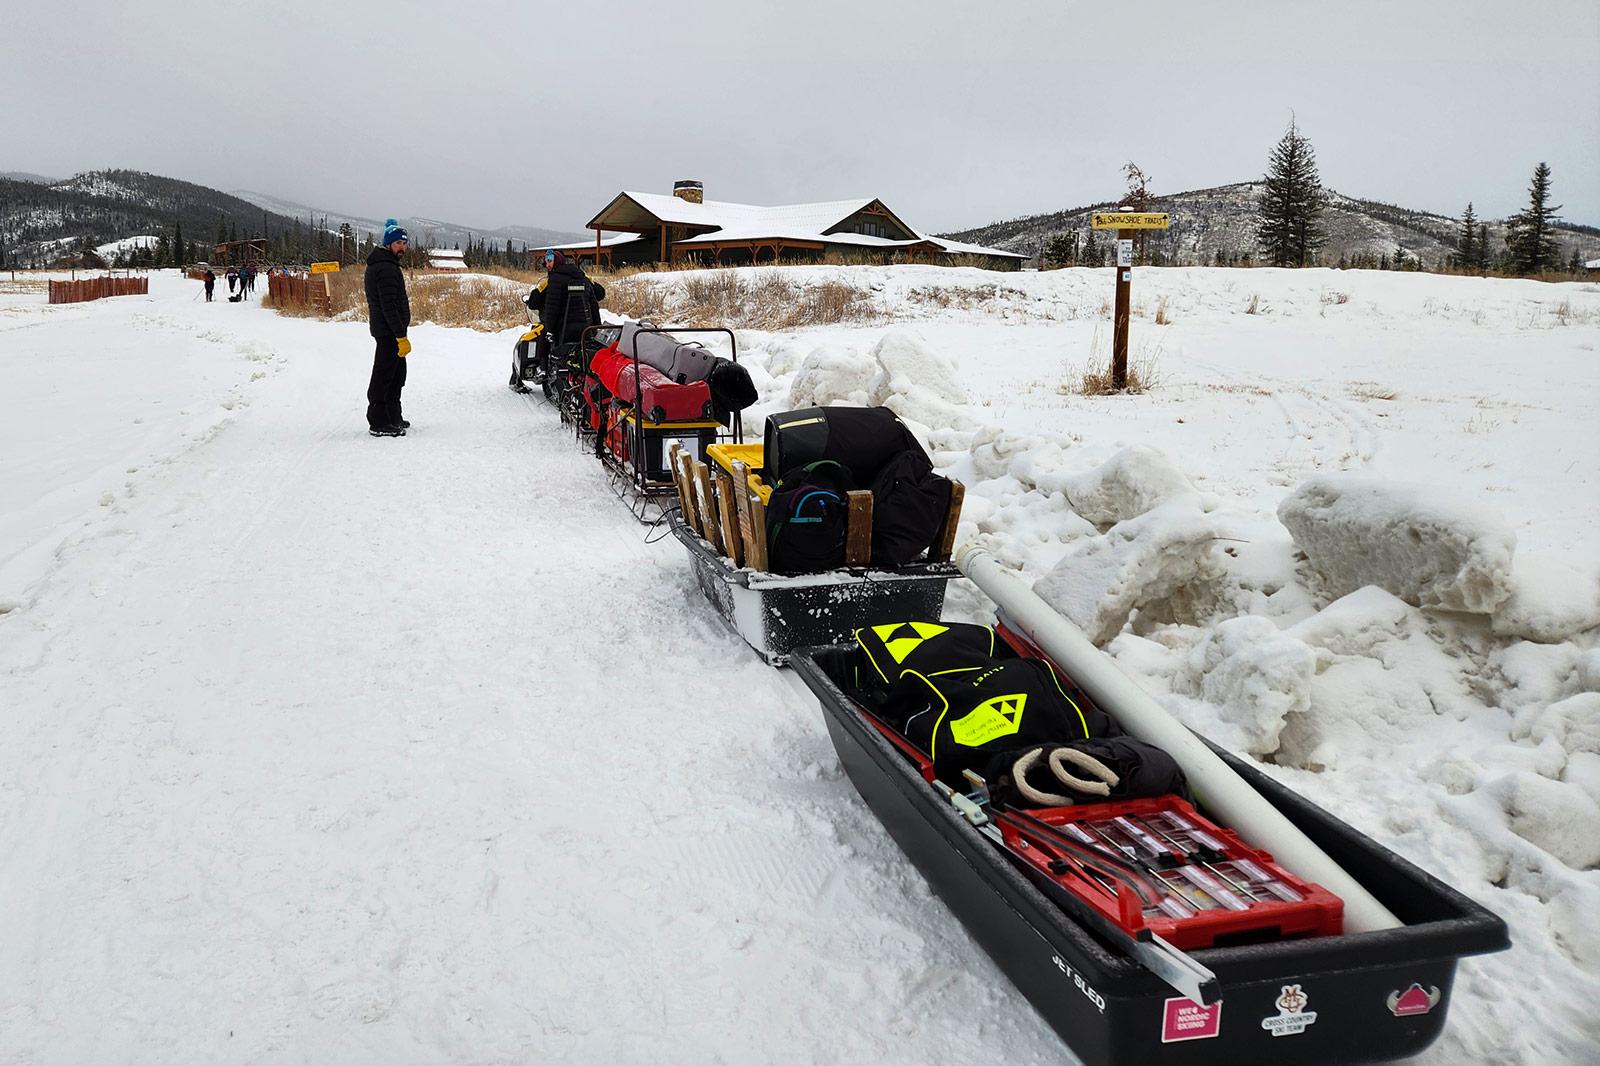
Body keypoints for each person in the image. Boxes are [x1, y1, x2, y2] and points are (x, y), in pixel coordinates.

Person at [364, 220, 412, 437]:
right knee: (384, 376)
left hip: (391, 331)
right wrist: (400, 335)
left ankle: (393, 416)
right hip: (389, 332)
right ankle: (379, 422)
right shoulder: (385, 268)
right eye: (398, 243)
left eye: (404, 243)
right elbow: (388, 306)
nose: (402, 247)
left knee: (396, 375)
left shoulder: (388, 265)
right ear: (389, 244)